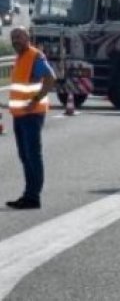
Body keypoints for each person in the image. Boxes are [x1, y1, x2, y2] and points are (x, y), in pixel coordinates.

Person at [6, 26, 55, 210]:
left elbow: (50, 78)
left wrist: (35, 100)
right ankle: (29, 194)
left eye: (18, 36)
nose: (15, 40)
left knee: (32, 155)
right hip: (20, 115)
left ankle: (33, 196)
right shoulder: (20, 58)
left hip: (31, 115)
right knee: (25, 156)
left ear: (27, 37)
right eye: (13, 37)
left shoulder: (35, 56)